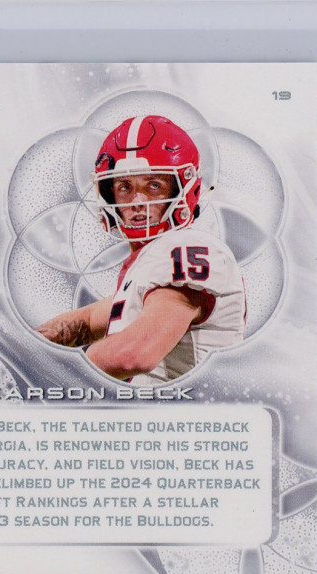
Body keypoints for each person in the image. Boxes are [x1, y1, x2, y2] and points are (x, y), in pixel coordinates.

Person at [36, 115, 245, 383]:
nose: (137, 201)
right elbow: (86, 320)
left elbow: (133, 355)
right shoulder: (151, 263)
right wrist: (29, 349)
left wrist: (47, 380)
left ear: (184, 189)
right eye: (125, 186)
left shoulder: (185, 247)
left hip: (183, 409)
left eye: (154, 185)